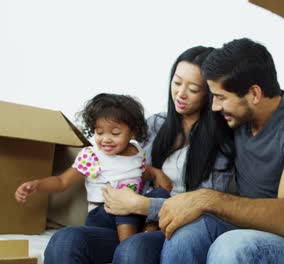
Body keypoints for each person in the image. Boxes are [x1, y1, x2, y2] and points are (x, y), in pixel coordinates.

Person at [103, 38, 284, 263]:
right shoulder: (238, 121)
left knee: (230, 246)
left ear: (254, 94)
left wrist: (207, 199)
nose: (214, 107)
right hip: (243, 226)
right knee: (185, 233)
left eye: (221, 98)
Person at [43, 46, 235, 264]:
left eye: (193, 89)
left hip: (176, 228)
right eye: (177, 82)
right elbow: (123, 157)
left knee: (132, 249)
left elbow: (208, 208)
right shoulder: (155, 125)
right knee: (64, 240)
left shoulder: (221, 143)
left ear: (209, 93)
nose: (180, 94)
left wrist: (141, 205)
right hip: (130, 220)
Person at [15, 93, 148, 241]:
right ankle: (128, 246)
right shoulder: (92, 156)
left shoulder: (137, 151)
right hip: (102, 215)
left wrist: (156, 174)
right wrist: (37, 185)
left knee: (154, 196)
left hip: (134, 211)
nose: (106, 139)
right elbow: (62, 181)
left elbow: (139, 172)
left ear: (133, 133)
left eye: (115, 133)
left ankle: (141, 239)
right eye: (99, 132)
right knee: (124, 207)